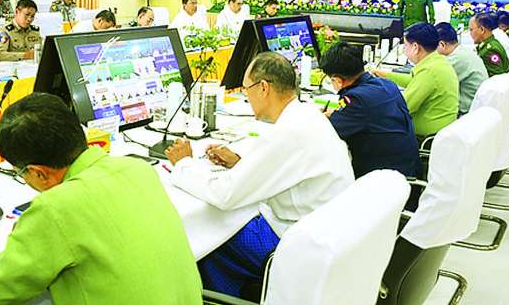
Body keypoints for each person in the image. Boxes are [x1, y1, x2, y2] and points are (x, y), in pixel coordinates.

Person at [0, 93, 202, 305]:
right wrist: (37, 233)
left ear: (39, 172)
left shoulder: (54, 209)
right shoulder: (137, 169)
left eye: (21, 173)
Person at [165, 52, 353, 297]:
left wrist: (184, 164)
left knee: (208, 239)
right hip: (326, 236)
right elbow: (284, 170)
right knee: (227, 221)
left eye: (246, 89)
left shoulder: (288, 132)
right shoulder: (306, 116)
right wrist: (240, 163)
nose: (246, 96)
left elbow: (224, 194)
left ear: (263, 88)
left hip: (297, 245)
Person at [319, 41, 420, 178]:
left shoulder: (356, 100)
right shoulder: (386, 84)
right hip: (408, 168)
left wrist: (318, 117)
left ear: (337, 80)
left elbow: (327, 132)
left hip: (383, 178)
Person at [374, 23, 459, 138]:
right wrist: (385, 75)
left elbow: (403, 106)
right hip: (443, 130)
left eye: (405, 47)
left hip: (425, 138)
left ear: (415, 47)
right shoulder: (437, 62)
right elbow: (413, 80)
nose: (405, 51)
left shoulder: (429, 71)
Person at [435, 22, 488, 115]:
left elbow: (432, 79)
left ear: (442, 45)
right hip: (477, 107)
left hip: (467, 112)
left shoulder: (456, 59)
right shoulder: (463, 52)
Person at [469, 13, 509, 77]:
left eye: (471, 30)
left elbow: (496, 78)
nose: (470, 33)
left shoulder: (489, 51)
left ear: (482, 30)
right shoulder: (493, 43)